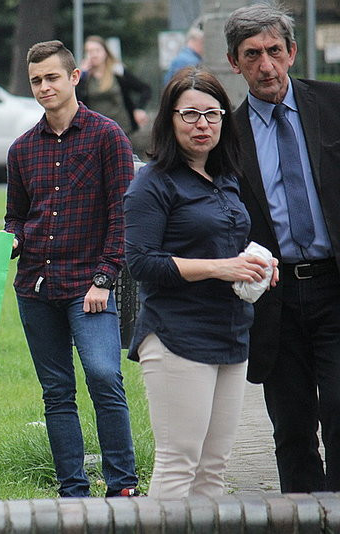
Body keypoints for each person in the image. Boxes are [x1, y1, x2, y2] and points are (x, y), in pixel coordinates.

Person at [123, 67, 278, 500]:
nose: (202, 124)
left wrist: (259, 262)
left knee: (213, 469)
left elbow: (224, 240)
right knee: (179, 465)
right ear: (169, 120)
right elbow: (141, 262)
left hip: (231, 333)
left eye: (212, 114)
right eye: (190, 114)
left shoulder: (225, 177)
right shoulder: (152, 183)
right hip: (177, 336)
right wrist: (220, 268)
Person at [4, 40, 138, 498]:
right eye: (36, 80)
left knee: (104, 376)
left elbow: (123, 215)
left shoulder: (107, 136)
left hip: (90, 286)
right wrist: (12, 239)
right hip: (35, 288)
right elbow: (16, 216)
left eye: (52, 77)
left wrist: (105, 278)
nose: (44, 87)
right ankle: (72, 492)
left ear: (74, 77)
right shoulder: (22, 149)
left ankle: (122, 487)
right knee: (57, 392)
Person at [225, 3, 340, 493]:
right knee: (292, 428)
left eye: (274, 50)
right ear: (235, 62)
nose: (266, 65)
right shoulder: (226, 136)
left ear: (292, 52)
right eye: (252, 54)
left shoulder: (333, 105)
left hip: (334, 285)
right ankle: (302, 518)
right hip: (275, 298)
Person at [78, 35, 151, 135]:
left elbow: (145, 89)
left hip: (121, 129)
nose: (94, 55)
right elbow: (77, 100)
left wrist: (139, 109)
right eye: (89, 51)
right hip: (95, 131)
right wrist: (82, 76)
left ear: (105, 52)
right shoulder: (84, 77)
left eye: (97, 50)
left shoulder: (118, 71)